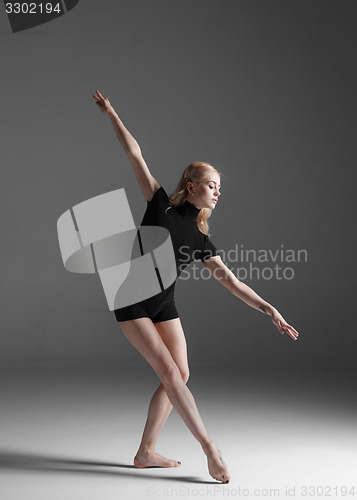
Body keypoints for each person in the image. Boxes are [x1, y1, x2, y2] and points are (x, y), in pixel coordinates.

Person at [93, 90, 299, 484]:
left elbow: (233, 283)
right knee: (170, 373)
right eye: (211, 185)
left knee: (180, 374)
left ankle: (145, 452)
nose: (217, 192)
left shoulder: (202, 239)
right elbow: (135, 152)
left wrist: (270, 309)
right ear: (190, 186)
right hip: (132, 300)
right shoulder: (160, 204)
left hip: (163, 304)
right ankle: (210, 450)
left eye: (220, 187)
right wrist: (112, 113)